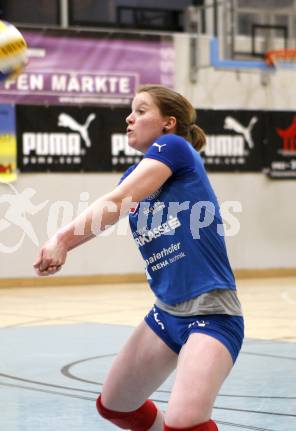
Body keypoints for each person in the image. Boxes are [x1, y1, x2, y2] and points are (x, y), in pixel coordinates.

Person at [33, 85, 244, 431]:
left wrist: (62, 240)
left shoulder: (176, 148)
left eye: (141, 110)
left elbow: (116, 203)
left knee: (185, 421)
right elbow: (112, 209)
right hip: (165, 314)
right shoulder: (132, 177)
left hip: (213, 315)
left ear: (168, 123)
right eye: (131, 111)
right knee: (115, 405)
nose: (130, 118)